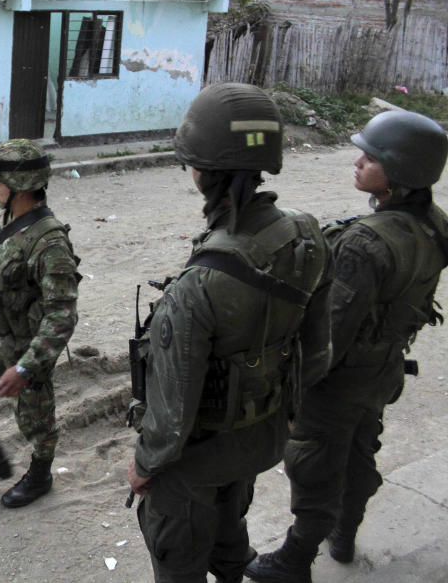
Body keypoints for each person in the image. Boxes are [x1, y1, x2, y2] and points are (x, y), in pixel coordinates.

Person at [126, 83, 332, 583]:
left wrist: (143, 466)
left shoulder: (199, 286)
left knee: (179, 562)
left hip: (192, 464)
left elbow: (171, 421)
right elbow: (318, 354)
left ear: (201, 171)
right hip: (256, 444)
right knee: (227, 533)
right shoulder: (307, 237)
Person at [246, 110, 448, 582]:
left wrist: (293, 396)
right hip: (383, 371)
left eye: (372, 157)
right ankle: (344, 532)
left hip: (340, 381)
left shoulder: (364, 244)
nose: (358, 161)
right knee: (359, 453)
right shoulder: (435, 224)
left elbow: (329, 336)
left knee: (315, 464)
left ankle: (296, 559)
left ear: (400, 173)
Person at [0, 139, 80, 508]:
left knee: (36, 420)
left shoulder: (50, 242)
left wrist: (25, 367)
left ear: (19, 187)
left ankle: (40, 475)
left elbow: (62, 315)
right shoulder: (9, 221)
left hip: (28, 347)